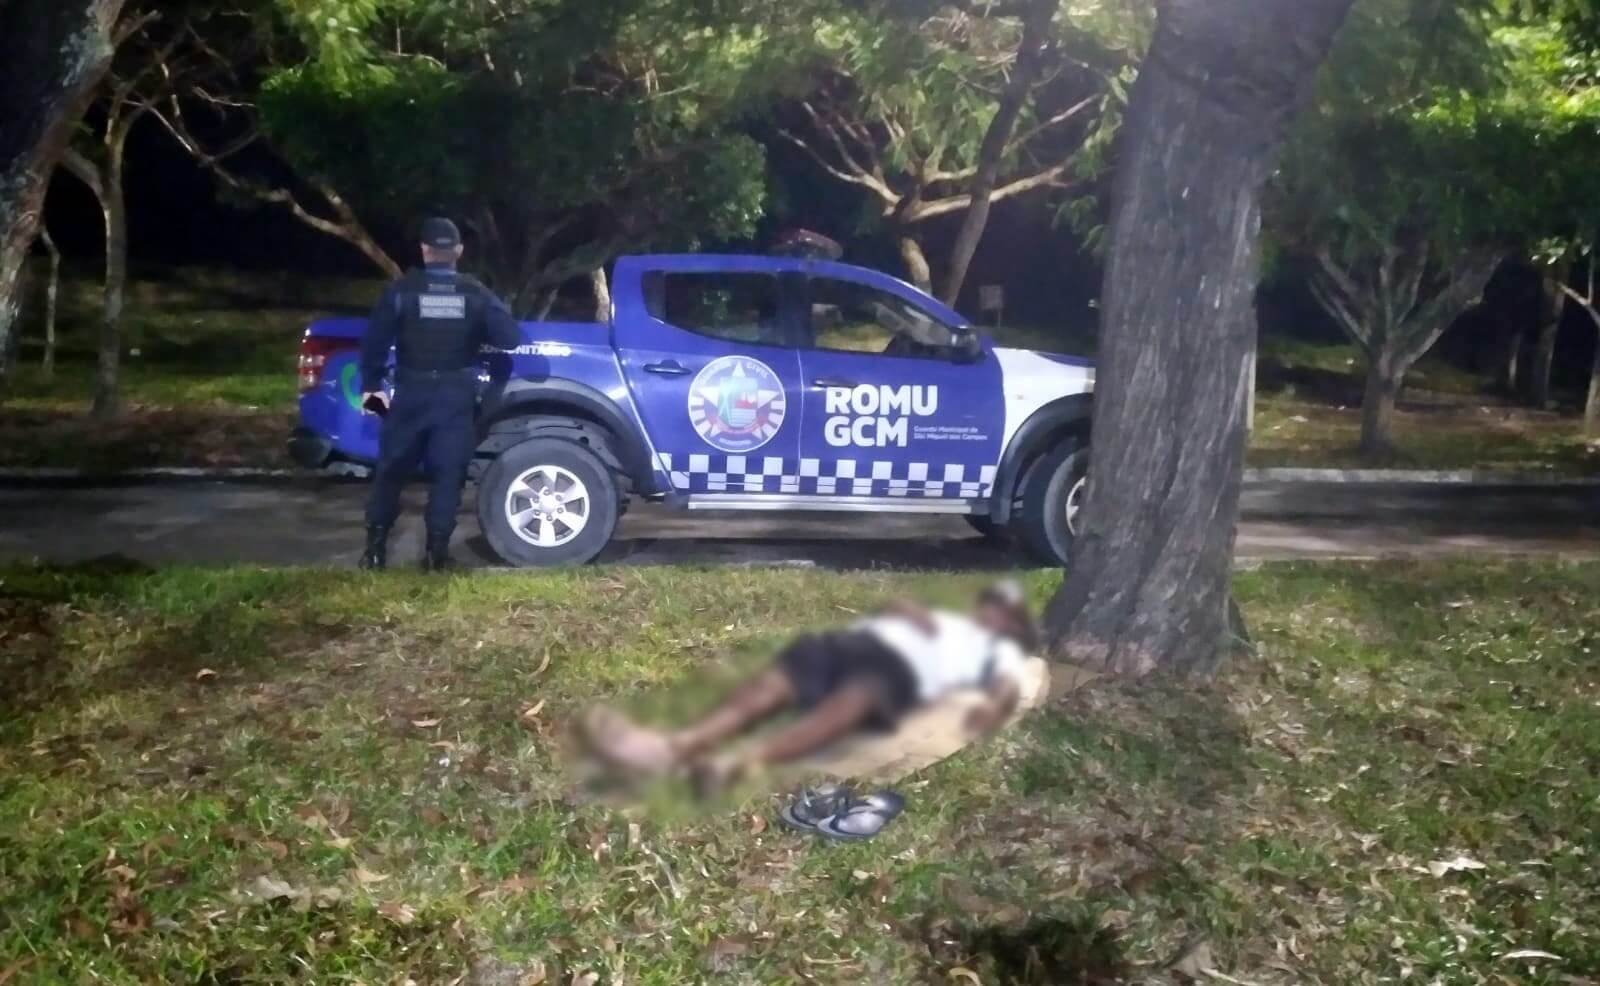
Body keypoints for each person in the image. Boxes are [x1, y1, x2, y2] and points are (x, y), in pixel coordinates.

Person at [580, 580, 1038, 793]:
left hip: (895, 674)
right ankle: (675, 747)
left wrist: (990, 708)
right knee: (768, 686)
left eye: (1002, 610)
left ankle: (734, 764)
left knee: (849, 702)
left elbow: (1006, 688)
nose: (991, 613)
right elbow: (892, 607)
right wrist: (909, 613)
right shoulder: (949, 621)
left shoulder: (1001, 651)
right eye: (990, 603)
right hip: (846, 648)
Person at [359, 217, 521, 571]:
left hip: (409, 393)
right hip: (455, 397)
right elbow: (510, 339)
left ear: (424, 250)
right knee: (448, 476)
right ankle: (436, 556)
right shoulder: (475, 293)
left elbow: (374, 344)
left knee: (390, 472)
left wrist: (371, 389)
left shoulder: (401, 291)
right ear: (458, 251)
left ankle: (374, 552)